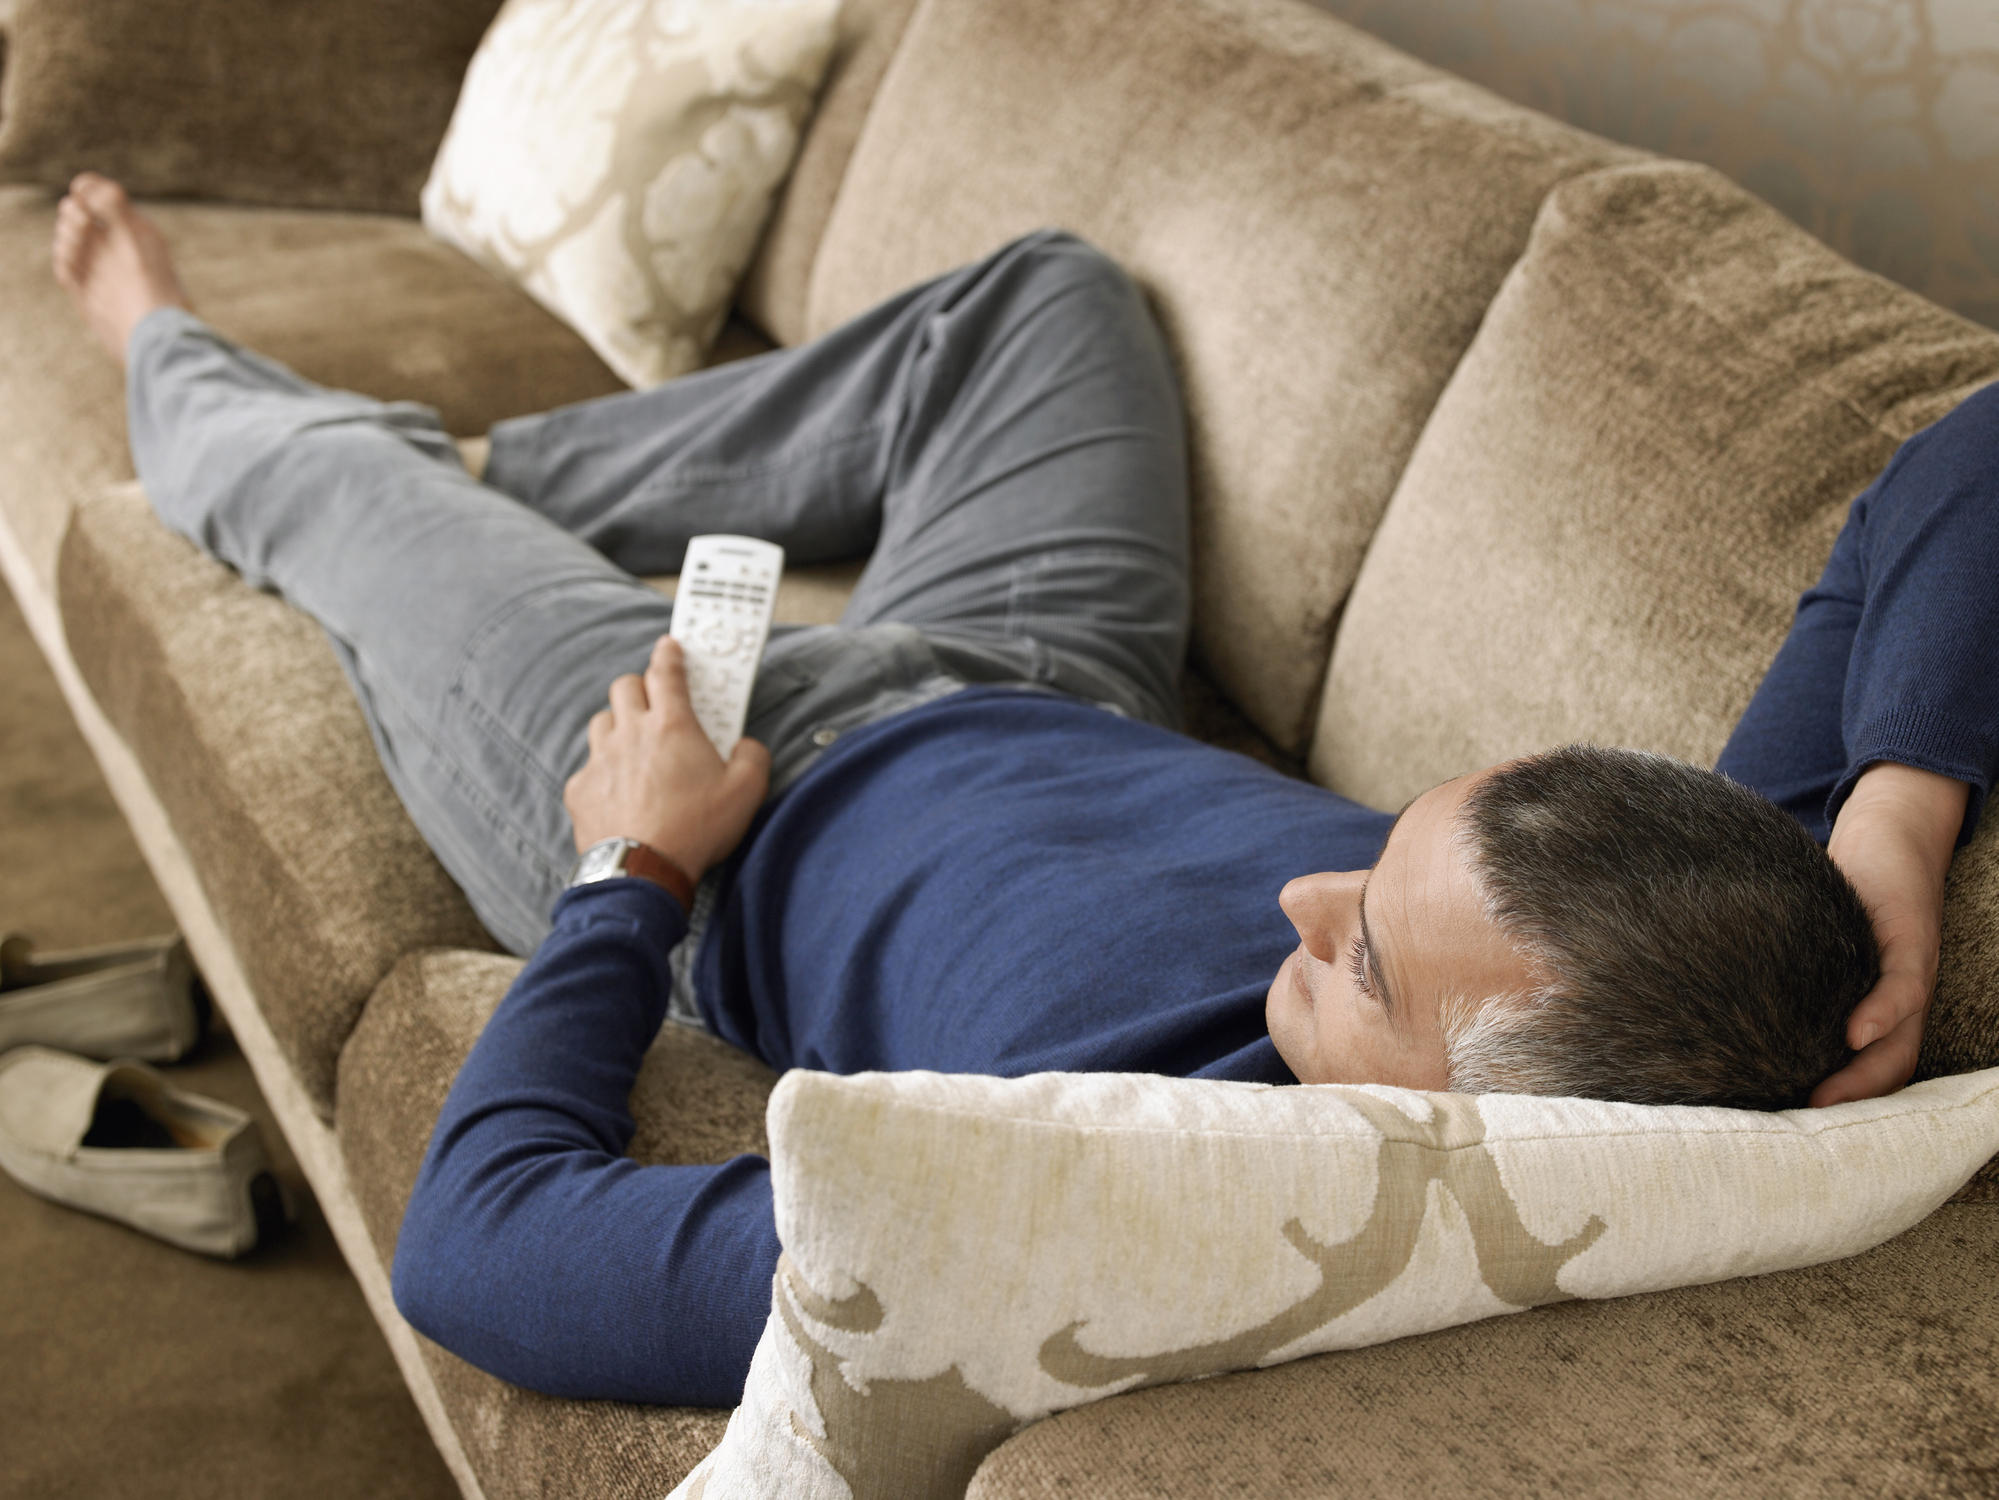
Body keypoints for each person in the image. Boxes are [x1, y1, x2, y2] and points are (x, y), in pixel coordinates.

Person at [50, 173, 1991, 1408]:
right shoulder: (1712, 962)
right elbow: (1962, 454)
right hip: (1054, 678)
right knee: (1041, 295)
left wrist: (627, 860)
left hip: (726, 792)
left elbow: (477, 1243)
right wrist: (1892, 821)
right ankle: (496, 470)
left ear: (1534, 1149)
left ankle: (182, 362)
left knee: (332, 503)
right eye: (1369, 871)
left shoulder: (1082, 1220)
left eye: (1371, 967)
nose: (1301, 903)